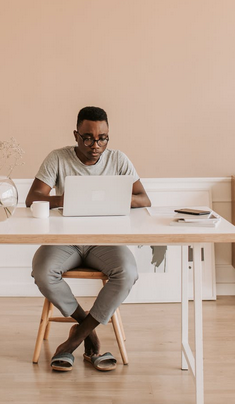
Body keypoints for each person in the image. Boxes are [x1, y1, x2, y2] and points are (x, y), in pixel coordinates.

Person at [26, 106, 151, 372]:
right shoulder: (57, 158)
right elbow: (33, 198)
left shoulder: (118, 160)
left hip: (105, 241)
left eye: (102, 138)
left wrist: (112, 198)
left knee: (127, 272)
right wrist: (71, 198)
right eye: (88, 138)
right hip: (65, 239)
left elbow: (144, 199)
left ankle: (71, 343)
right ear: (75, 135)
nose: (96, 145)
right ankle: (88, 334)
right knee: (42, 271)